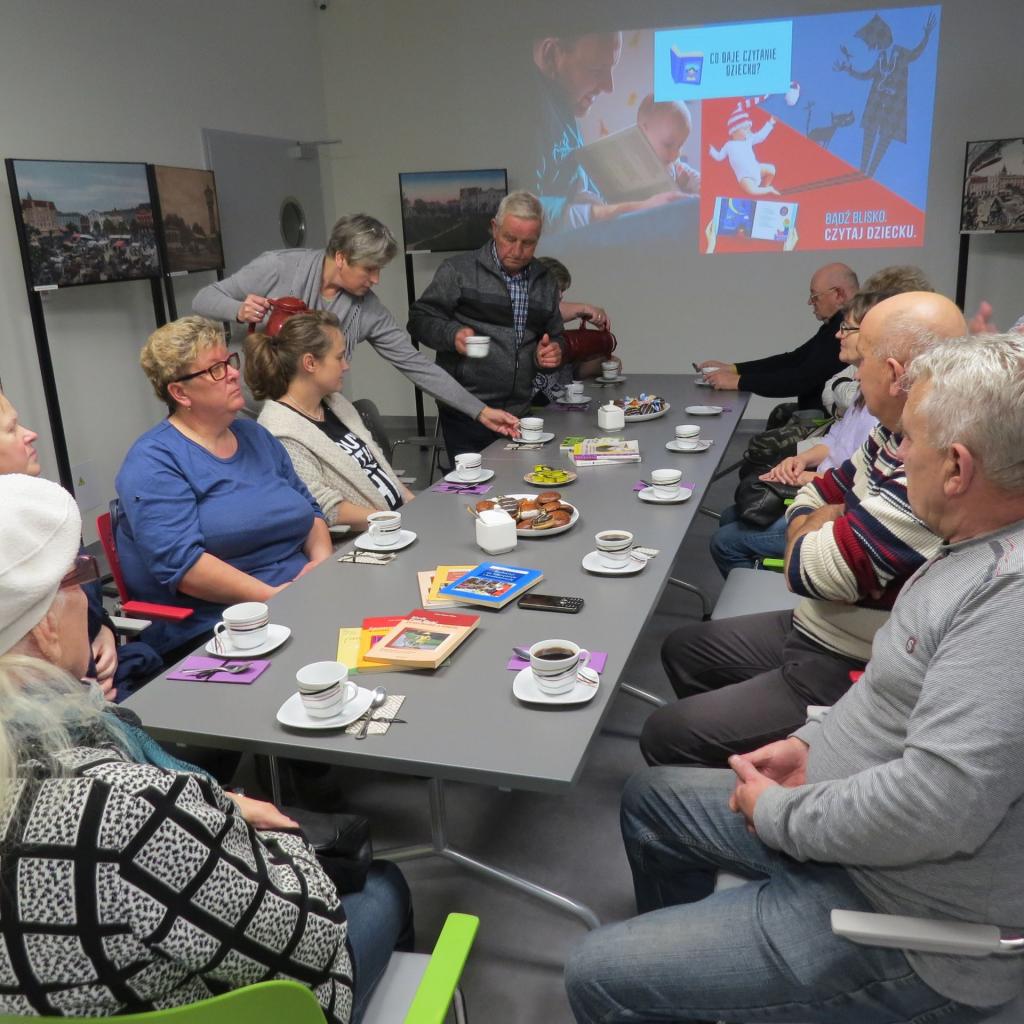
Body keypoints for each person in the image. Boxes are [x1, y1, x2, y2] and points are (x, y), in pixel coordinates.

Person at [565, 330, 1024, 1024]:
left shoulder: (1007, 603)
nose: (896, 455)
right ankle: (706, 988)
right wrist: (814, 741)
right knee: (650, 799)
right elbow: (890, 688)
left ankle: (691, 984)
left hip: (908, 921)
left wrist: (780, 814)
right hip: (851, 830)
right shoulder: (969, 547)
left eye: (912, 444)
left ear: (958, 468)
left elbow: (935, 808)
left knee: (595, 975)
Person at [0, 473, 410, 1023]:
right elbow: (310, 935)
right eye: (79, 576)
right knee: (383, 886)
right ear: (46, 624)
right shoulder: (123, 808)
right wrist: (257, 828)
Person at [643, 292, 967, 767]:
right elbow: (826, 491)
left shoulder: (933, 466)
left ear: (895, 374)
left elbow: (810, 571)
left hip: (847, 662)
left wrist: (820, 515)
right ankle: (759, 755)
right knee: (685, 649)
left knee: (665, 733)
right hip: (819, 623)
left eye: (863, 364)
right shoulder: (890, 432)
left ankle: (772, 789)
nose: (854, 376)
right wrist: (823, 514)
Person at [115, 317, 333, 659]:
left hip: (302, 595)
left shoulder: (254, 435)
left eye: (229, 362)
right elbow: (184, 566)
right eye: (215, 369)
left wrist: (321, 563)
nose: (233, 373)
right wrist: (275, 596)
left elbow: (310, 509)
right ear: (180, 392)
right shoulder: (153, 462)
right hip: (222, 627)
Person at [193, 213, 519, 441]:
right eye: (369, 269)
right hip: (246, 412)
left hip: (307, 419)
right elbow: (204, 298)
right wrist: (239, 309)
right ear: (340, 257)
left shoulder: (368, 309)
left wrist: (480, 411)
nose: (375, 280)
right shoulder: (278, 266)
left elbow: (416, 364)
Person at [708, 290, 888, 577]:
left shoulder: (882, 411)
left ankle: (767, 608)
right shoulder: (862, 392)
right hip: (823, 490)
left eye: (846, 328)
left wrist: (806, 478)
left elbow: (861, 489)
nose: (838, 336)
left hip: (836, 511)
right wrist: (801, 461)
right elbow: (834, 440)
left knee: (724, 543)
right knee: (731, 516)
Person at [408, 191, 565, 459]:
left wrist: (553, 352)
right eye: (510, 239)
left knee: (518, 488)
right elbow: (419, 319)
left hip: (519, 412)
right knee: (475, 491)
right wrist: (451, 334)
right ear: (494, 228)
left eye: (528, 243)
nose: (517, 251)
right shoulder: (458, 271)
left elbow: (556, 336)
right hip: (466, 409)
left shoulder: (545, 281)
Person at [0, 390, 127, 700]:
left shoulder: (49, 517)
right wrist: (83, 692)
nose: (32, 435)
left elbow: (86, 591)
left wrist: (103, 630)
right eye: (12, 429)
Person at [246, 311, 413, 533]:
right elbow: (327, 508)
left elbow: (379, 468)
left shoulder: (336, 403)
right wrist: (393, 520)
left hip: (396, 524)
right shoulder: (280, 431)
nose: (346, 366)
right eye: (338, 357)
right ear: (310, 363)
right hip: (363, 540)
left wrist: (413, 504)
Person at [531, 33, 684, 230]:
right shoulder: (526, 110)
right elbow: (516, 210)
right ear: (551, 55)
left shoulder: (564, 106)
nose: (609, 86)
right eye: (597, 70)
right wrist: (627, 210)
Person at [698, 262, 859, 412]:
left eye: (815, 296)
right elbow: (793, 359)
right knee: (780, 413)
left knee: (761, 441)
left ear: (838, 294)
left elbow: (800, 380)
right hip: (816, 412)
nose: (810, 302)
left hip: (828, 422)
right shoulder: (833, 326)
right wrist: (733, 369)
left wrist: (738, 381)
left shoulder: (844, 331)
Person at [531, 256, 613, 403]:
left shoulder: (555, 329)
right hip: (537, 409)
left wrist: (603, 364)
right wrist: (584, 309)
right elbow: (543, 310)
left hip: (564, 403)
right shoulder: (527, 315)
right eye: (558, 289)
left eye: (563, 290)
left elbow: (572, 372)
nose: (561, 295)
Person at [708, 104, 778, 195]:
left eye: (749, 128)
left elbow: (761, 136)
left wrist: (771, 122)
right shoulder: (729, 145)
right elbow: (719, 157)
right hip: (745, 177)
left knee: (772, 170)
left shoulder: (749, 139)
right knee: (752, 191)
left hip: (756, 169)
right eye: (745, 128)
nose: (748, 131)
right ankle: (768, 190)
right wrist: (710, 150)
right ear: (733, 132)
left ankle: (765, 186)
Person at [636, 94, 700, 193]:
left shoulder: (675, 165)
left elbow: (697, 180)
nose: (676, 154)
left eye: (680, 146)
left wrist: (683, 185)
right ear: (642, 132)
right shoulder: (634, 161)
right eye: (668, 145)